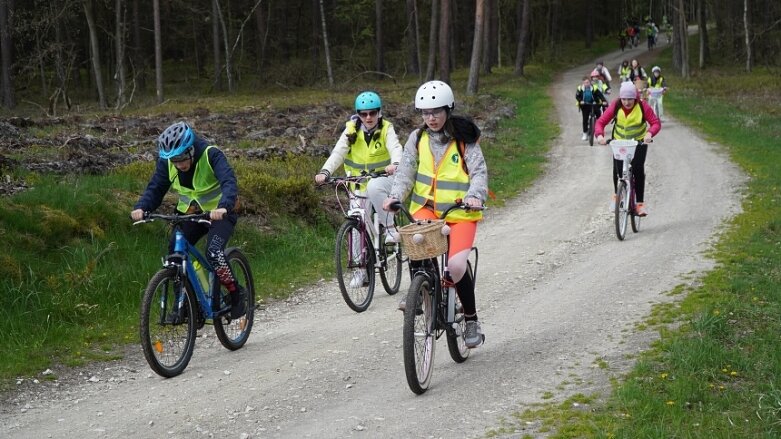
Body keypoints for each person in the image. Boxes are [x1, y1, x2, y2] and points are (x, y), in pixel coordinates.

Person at [382, 80, 489, 348]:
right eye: (425, 113)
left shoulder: (464, 138)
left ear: (448, 110)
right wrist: (395, 196)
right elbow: (406, 171)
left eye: (436, 112)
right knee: (417, 247)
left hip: (460, 212)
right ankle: (419, 290)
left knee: (455, 266)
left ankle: (471, 318)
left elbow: (479, 173)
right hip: (425, 208)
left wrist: (475, 196)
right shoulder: (416, 138)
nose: (430, 118)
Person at [130, 121, 245, 320]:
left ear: (191, 149)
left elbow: (228, 182)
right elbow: (156, 188)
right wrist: (142, 207)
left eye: (182, 158)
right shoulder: (167, 163)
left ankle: (236, 294)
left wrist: (224, 206)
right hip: (190, 213)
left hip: (220, 213)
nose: (179, 164)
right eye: (174, 159)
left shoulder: (211, 155)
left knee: (214, 253)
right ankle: (183, 304)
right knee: (175, 255)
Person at [314, 91, 403, 287]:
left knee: (376, 193)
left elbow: (395, 147)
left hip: (382, 180)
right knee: (355, 223)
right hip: (357, 184)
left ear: (379, 113)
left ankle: (389, 229)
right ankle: (360, 271)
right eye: (364, 114)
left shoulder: (387, 129)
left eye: (372, 113)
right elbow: (338, 152)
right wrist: (326, 171)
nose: (368, 118)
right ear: (358, 114)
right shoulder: (351, 131)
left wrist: (395, 163)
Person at [595, 82, 662, 217]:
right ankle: (617, 196)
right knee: (618, 169)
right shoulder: (615, 105)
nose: (626, 102)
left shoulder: (642, 106)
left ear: (635, 98)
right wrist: (600, 136)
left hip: (639, 143)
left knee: (637, 169)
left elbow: (655, 123)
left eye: (630, 99)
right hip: (619, 142)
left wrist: (649, 134)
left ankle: (640, 204)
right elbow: (600, 122)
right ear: (620, 98)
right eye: (624, 99)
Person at [576, 75, 608, 141]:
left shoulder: (594, 88)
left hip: (593, 103)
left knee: (599, 114)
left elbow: (600, 95)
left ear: (590, 82)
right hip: (585, 105)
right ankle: (585, 133)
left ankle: (598, 128)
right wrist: (580, 101)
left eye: (587, 82)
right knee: (585, 118)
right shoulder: (580, 89)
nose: (586, 84)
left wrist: (604, 101)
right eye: (585, 83)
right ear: (583, 83)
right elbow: (577, 96)